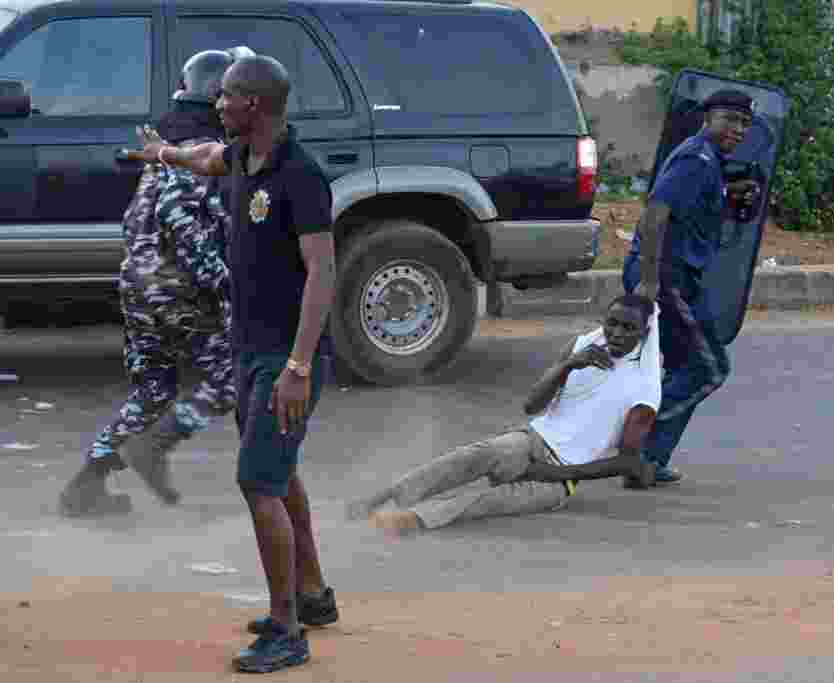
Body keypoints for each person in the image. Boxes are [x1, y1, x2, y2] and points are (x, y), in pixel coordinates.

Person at [122, 54, 337, 674]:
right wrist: (163, 154)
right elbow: (205, 158)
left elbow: (323, 271)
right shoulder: (242, 156)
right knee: (279, 468)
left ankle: (285, 630)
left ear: (255, 105)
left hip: (284, 358)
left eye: (225, 98)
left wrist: (298, 365)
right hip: (248, 346)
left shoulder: (300, 174)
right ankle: (313, 595)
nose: (216, 105)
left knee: (258, 480)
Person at [59, 48, 248, 518]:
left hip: (139, 286)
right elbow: (177, 217)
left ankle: (86, 486)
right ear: (216, 99)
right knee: (230, 380)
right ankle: (156, 446)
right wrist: (224, 285)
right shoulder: (198, 151)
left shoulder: (166, 150)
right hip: (176, 289)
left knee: (154, 392)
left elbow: (135, 220)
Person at [348, 295, 661, 534]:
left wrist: (556, 475)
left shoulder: (644, 390)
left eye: (628, 328)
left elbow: (627, 461)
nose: (616, 333)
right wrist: (566, 367)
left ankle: (412, 519)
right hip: (530, 441)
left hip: (561, 475)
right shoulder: (583, 347)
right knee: (471, 456)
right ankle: (390, 495)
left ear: (645, 333)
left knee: (491, 501)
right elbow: (531, 407)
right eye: (612, 324)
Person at [623, 89, 761, 485]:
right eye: (729, 119)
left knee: (685, 366)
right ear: (708, 118)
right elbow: (655, 213)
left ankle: (646, 461)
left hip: (677, 276)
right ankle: (637, 444)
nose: (737, 129)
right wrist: (649, 281)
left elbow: (696, 203)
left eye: (744, 123)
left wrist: (728, 193)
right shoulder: (696, 159)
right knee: (708, 368)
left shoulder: (711, 163)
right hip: (668, 277)